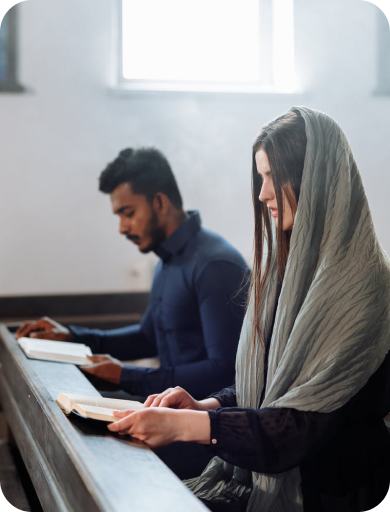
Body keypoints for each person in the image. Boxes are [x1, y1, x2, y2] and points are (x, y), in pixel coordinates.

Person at [106, 108, 390, 512]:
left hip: (334, 493)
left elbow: (299, 426)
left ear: (318, 179)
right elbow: (273, 382)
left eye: (274, 177)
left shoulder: (363, 286)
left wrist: (189, 426)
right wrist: (209, 405)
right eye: (260, 178)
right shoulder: (284, 271)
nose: (262, 194)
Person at [15, 147, 249, 479]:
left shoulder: (214, 264)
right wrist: (72, 335)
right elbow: (146, 336)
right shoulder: (167, 260)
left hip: (200, 432)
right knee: (62, 415)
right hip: (162, 409)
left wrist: (127, 376)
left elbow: (226, 372)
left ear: (159, 202)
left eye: (127, 212)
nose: (122, 227)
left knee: (90, 452)